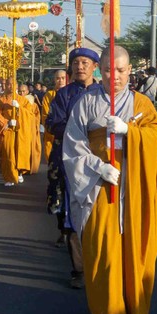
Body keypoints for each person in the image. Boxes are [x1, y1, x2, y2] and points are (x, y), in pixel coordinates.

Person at [62, 46, 157, 314]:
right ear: (102, 71)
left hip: (133, 186)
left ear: (129, 71)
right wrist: (98, 167)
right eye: (111, 70)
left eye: (122, 71)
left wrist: (130, 132)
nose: (117, 76)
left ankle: (135, 310)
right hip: (99, 187)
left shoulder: (142, 103)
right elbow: (72, 148)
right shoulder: (86, 103)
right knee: (104, 249)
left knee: (134, 248)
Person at [46, 47, 99, 288]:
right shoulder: (63, 95)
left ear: (95, 66)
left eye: (85, 62)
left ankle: (101, 266)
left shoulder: (104, 94)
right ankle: (78, 269)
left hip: (98, 163)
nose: (80, 66)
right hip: (68, 162)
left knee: (98, 215)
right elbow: (53, 123)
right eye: (76, 62)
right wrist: (78, 133)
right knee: (69, 214)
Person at [0, 78, 26, 186]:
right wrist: (7, 122)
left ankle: (19, 172)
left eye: (13, 84)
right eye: (8, 84)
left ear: (16, 85)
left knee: (19, 153)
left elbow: (31, 115)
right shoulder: (1, 100)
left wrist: (20, 109)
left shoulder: (22, 100)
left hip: (20, 131)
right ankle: (9, 177)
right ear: (5, 85)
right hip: (7, 131)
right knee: (8, 153)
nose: (10, 86)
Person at [42, 70, 66, 161]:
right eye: (58, 78)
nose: (60, 81)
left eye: (63, 78)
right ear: (54, 80)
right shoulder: (49, 95)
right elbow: (45, 114)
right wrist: (51, 128)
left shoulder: (71, 93)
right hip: (52, 133)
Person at [18, 82, 41, 175]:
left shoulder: (32, 104)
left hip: (29, 129)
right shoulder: (16, 101)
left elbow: (36, 117)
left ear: (27, 91)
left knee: (30, 148)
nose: (22, 94)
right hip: (19, 129)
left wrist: (21, 111)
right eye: (20, 92)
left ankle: (29, 166)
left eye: (23, 91)